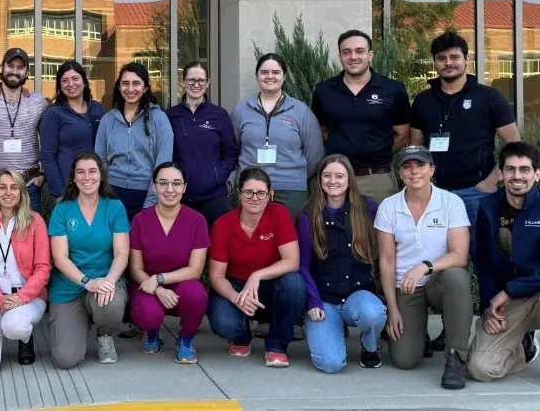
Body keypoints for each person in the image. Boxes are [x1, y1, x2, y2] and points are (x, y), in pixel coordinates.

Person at [467, 141, 540, 388]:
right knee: (480, 369)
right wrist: (487, 307)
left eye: (524, 170)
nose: (517, 176)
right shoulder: (487, 207)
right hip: (509, 304)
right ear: (501, 174)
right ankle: (522, 345)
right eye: (510, 169)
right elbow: (483, 262)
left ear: (537, 174)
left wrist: (508, 291)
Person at [375, 145, 472, 389]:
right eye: (407, 166)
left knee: (458, 278)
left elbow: (460, 255)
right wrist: (392, 308)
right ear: (400, 173)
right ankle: (418, 335)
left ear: (432, 169)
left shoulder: (451, 202)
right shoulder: (388, 206)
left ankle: (456, 357)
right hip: (405, 285)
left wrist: (425, 266)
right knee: (405, 360)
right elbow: (386, 260)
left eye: (420, 165)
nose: (414, 171)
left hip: (439, 280)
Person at [408, 31, 520, 240]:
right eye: (441, 58)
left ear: (466, 59)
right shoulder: (423, 101)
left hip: (476, 193)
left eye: (454, 57)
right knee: (438, 252)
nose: (448, 63)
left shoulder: (489, 97)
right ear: (434, 62)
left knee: (483, 256)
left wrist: (492, 181)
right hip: (435, 194)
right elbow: (416, 147)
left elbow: (514, 143)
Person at [207, 166, 307, 367]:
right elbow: (216, 276)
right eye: (248, 192)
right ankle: (242, 336)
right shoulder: (223, 224)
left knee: (294, 283)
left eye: (261, 192)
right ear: (239, 193)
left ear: (269, 194)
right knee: (224, 324)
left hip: (270, 284)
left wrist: (257, 275)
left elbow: (292, 262)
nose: (255, 197)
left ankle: (277, 345)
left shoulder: (279, 213)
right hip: (235, 285)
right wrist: (237, 298)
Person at [298, 154, 386, 373]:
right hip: (325, 301)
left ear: (349, 179)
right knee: (330, 364)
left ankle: (371, 346)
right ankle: (333, 330)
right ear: (319, 180)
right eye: (327, 175)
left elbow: (385, 253)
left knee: (373, 313)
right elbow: (303, 266)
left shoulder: (367, 209)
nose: (333, 181)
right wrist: (313, 302)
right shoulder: (308, 216)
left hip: (358, 294)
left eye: (339, 175)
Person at [45, 153, 130, 369]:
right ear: (73, 178)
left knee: (109, 306)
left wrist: (109, 281)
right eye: (80, 172)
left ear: (101, 175)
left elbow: (121, 253)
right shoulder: (62, 210)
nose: (87, 177)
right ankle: (75, 324)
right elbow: (60, 257)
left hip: (103, 280)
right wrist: (87, 282)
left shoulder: (115, 207)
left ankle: (104, 333)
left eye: (92, 171)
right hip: (69, 287)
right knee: (66, 360)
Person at [311, 30, 411, 205]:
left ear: (370, 55)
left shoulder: (392, 89)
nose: (353, 56)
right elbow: (322, 131)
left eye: (359, 51)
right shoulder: (324, 90)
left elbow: (402, 133)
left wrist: (377, 152)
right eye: (346, 52)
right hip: (337, 180)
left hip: (378, 179)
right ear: (340, 56)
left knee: (381, 232)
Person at [0, 170, 51, 374]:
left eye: (14, 187)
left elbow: (43, 268)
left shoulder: (35, 221)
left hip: (28, 298)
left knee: (14, 325)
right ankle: (9, 324)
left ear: (22, 192)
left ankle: (25, 337)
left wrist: (21, 298)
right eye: (2, 187)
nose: (8, 192)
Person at [128, 162, 209, 364]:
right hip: (147, 285)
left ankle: (186, 339)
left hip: (182, 284)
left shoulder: (197, 220)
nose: (170, 190)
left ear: (184, 187)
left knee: (196, 294)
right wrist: (157, 287)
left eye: (176, 183)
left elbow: (195, 270)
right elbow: (135, 268)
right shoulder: (140, 220)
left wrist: (160, 279)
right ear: (154, 187)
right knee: (148, 315)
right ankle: (152, 332)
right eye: (163, 183)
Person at [231, 54, 324, 220]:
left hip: (290, 190)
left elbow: (315, 154)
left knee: (288, 242)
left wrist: (294, 175)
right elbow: (233, 148)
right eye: (264, 72)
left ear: (284, 76)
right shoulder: (241, 111)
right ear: (257, 75)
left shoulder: (301, 112)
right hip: (250, 188)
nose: (270, 76)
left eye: (276, 72)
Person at [0, 48, 51, 213]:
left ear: (27, 72)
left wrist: (43, 175)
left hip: (29, 187)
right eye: (10, 65)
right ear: (2, 67)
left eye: (20, 67)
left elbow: (50, 143)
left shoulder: (39, 102)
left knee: (29, 237)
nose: (14, 71)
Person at [95, 62, 173, 221]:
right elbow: (99, 161)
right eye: (125, 83)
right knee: (115, 244)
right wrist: (103, 194)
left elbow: (163, 164)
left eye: (136, 83)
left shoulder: (159, 118)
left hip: (147, 193)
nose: (130, 89)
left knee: (141, 245)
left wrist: (151, 202)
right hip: (112, 194)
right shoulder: (107, 120)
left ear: (145, 88)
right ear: (118, 87)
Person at [167, 61, 239, 228]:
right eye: (191, 80)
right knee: (183, 248)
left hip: (213, 196)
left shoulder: (219, 115)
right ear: (183, 81)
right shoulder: (171, 115)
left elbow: (231, 152)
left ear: (208, 83)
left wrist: (217, 176)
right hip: (180, 196)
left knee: (215, 248)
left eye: (201, 80)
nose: (196, 85)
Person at [40, 60, 105, 201]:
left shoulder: (97, 108)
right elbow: (47, 155)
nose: (70, 84)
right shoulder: (53, 114)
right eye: (65, 80)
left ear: (84, 81)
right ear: (60, 86)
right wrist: (58, 193)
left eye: (75, 78)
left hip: (95, 186)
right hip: (67, 188)